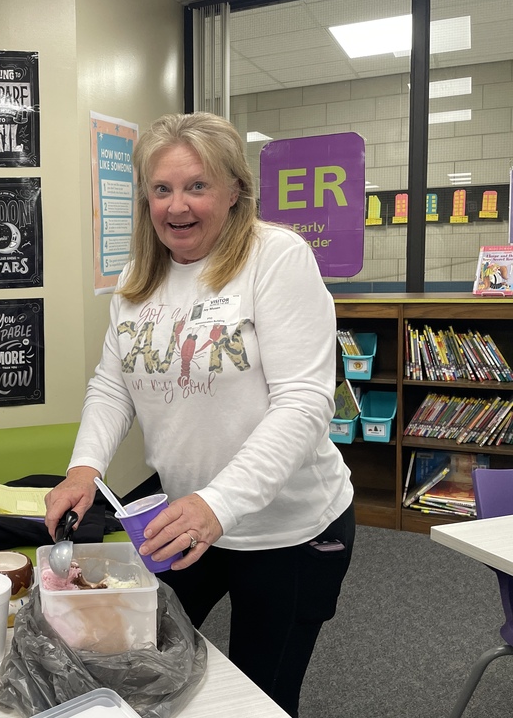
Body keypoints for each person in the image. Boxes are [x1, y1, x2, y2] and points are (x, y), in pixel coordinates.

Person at [44, 112, 354, 717]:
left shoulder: (276, 257)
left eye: (197, 186)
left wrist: (221, 503)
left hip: (288, 530)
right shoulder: (141, 274)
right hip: (187, 522)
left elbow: (305, 402)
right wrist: (84, 469)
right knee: (150, 665)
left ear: (235, 189)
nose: (176, 206)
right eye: (161, 189)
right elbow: (114, 384)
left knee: (258, 698)